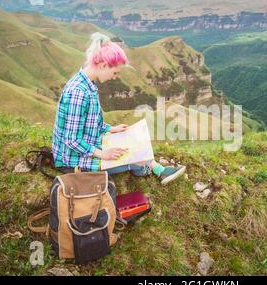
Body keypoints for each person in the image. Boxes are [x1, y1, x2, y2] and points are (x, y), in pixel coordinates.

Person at [51, 32, 186, 185]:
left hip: (85, 147)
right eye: (115, 72)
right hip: (72, 161)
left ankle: (158, 169)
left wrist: (110, 129)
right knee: (133, 160)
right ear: (103, 65)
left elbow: (88, 122)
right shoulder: (78, 93)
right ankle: (151, 169)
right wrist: (102, 154)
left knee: (131, 142)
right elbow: (72, 139)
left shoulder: (87, 83)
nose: (114, 77)